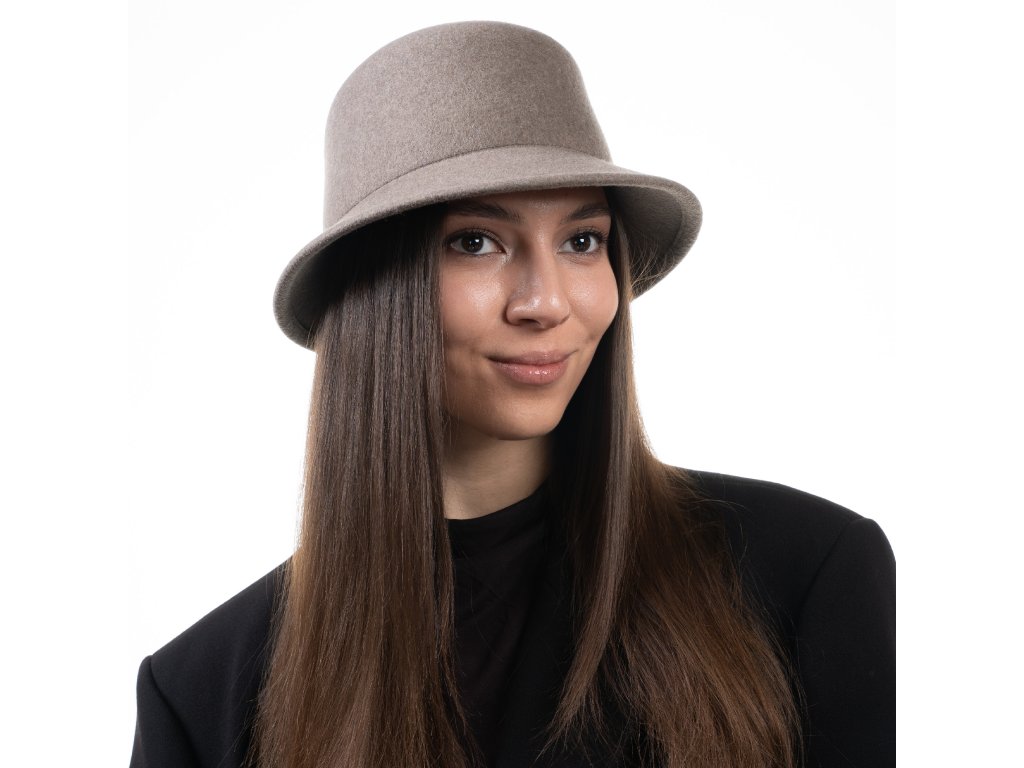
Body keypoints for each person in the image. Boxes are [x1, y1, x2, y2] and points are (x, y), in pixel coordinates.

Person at [130, 21, 895, 768]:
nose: (547, 302)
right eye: (476, 242)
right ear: (373, 293)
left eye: (582, 241)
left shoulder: (802, 574)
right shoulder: (202, 696)